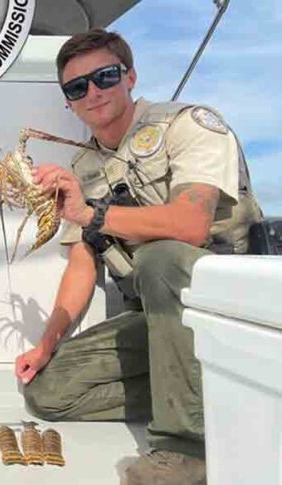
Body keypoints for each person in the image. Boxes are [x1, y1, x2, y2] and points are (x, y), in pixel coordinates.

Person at [15, 29, 263, 484]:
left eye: (104, 77)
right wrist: (47, 343)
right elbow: (82, 266)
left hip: (228, 313)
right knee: (48, 393)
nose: (92, 93)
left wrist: (89, 212)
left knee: (161, 257)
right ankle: (211, 395)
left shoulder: (187, 124)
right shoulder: (83, 170)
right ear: (68, 101)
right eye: (76, 88)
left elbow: (190, 226)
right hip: (158, 319)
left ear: (129, 77)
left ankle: (185, 452)